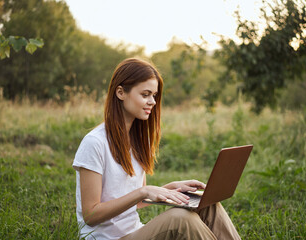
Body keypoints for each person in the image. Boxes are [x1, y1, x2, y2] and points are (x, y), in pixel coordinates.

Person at [73, 58, 241, 240]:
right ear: (121, 93)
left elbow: (136, 203)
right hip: (107, 238)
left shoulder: (137, 140)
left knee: (207, 204)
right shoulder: (94, 143)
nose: (152, 101)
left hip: (134, 231)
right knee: (180, 219)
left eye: (154, 95)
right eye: (145, 94)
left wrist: (171, 189)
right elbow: (90, 215)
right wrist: (143, 191)